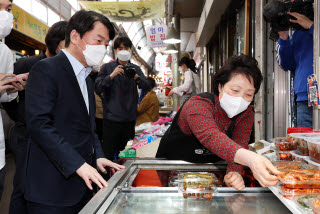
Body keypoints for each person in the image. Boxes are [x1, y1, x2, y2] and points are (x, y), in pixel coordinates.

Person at [24, 10, 125, 214]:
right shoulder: (46, 69)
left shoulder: (87, 79)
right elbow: (40, 125)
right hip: (51, 189)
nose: (102, 48)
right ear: (75, 36)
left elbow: (89, 129)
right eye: (99, 40)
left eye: (106, 44)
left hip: (82, 186)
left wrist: (97, 155)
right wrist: (77, 163)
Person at [156, 54, 281, 191]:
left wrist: (234, 174)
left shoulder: (246, 114)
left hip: (212, 173)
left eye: (248, 94)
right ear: (220, 86)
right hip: (174, 169)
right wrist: (252, 159)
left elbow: (239, 144)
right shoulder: (198, 105)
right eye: (235, 90)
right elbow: (210, 136)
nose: (240, 99)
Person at [2, 20, 67, 214]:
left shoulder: (63, 69)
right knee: (22, 186)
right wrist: (22, 117)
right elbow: (6, 94)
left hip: (50, 135)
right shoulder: (26, 64)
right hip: (26, 135)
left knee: (44, 184)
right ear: (57, 45)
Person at [95, 36, 150, 164]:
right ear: (115, 50)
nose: (123, 50)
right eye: (120, 48)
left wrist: (136, 77)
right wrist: (112, 75)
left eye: (126, 48)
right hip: (111, 121)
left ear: (131, 50)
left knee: (126, 157)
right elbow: (98, 87)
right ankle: (106, 183)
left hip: (129, 121)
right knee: (107, 156)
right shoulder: (107, 67)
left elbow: (147, 86)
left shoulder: (136, 68)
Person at [0, 0, 29, 200]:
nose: (5, 15)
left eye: (8, 9)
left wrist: (14, 87)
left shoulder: (4, 51)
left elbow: (5, 96)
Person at [276, 12, 314, 128]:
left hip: (306, 96)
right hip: (305, 96)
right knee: (305, 143)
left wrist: (312, 26)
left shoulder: (308, 27)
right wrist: (283, 38)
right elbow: (287, 64)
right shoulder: (298, 32)